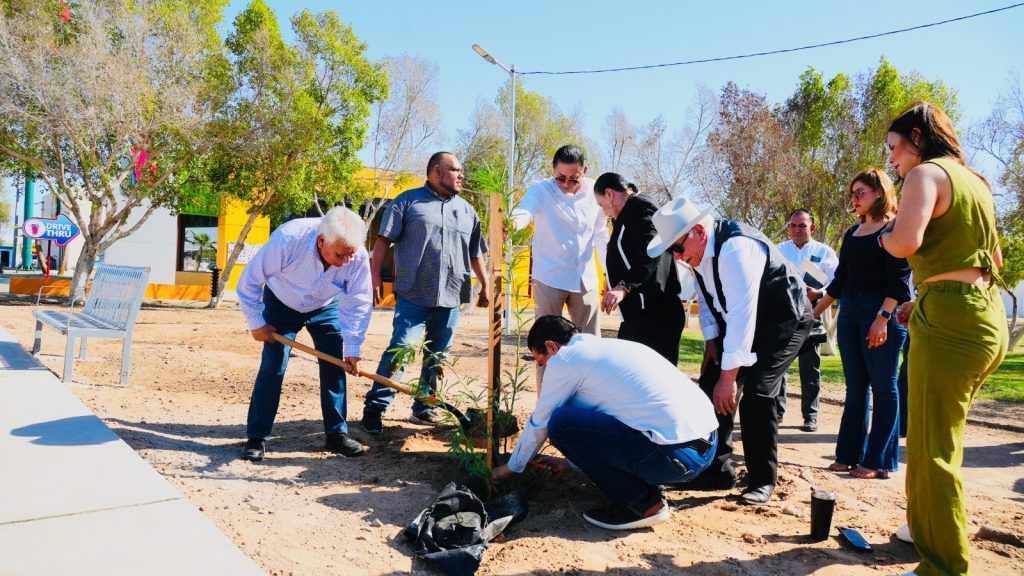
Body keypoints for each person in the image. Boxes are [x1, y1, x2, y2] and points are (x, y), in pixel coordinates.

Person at [879, 102, 1008, 576]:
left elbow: (905, 242)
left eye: (894, 148)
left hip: (951, 320)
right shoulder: (977, 181)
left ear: (916, 137)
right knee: (944, 444)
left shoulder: (925, 175)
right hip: (984, 318)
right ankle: (926, 532)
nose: (892, 159)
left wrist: (884, 236)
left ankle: (942, 566)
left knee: (931, 451)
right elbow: (992, 256)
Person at [647, 196, 813, 505]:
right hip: (743, 321)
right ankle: (717, 470)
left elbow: (742, 317)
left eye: (678, 248)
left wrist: (730, 378)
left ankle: (763, 479)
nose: (678, 256)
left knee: (759, 393)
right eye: (672, 251)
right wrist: (712, 343)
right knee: (709, 384)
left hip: (784, 319)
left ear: (698, 230)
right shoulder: (696, 255)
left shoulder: (737, 249)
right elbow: (709, 302)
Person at [491, 315, 719, 530]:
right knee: (571, 416)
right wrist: (571, 463)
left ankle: (642, 503)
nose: (545, 369)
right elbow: (607, 422)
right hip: (705, 447)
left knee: (560, 422)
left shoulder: (565, 359)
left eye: (542, 362)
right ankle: (645, 488)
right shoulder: (609, 349)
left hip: (672, 456)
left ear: (551, 346)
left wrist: (511, 468)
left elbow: (540, 423)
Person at [361, 152, 490, 435]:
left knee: (438, 356)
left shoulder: (467, 211)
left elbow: (476, 253)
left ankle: (424, 406)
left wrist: (486, 286)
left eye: (461, 171)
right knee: (400, 351)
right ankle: (375, 408)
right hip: (413, 295)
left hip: (452, 295)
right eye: (455, 170)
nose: (461, 175)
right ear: (436, 171)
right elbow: (383, 242)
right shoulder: (407, 202)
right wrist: (373, 276)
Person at [236, 206, 373, 461]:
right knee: (274, 366)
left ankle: (336, 434)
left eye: (349, 256)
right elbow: (249, 281)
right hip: (281, 302)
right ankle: (257, 437)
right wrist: (256, 322)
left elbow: (358, 301)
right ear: (322, 242)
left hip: (325, 305)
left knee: (335, 365)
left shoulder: (356, 256)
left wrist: (352, 349)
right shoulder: (289, 238)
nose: (346, 262)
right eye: (340, 255)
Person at [812, 169, 911, 480]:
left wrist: (881, 320)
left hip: (882, 316)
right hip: (851, 313)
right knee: (856, 388)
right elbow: (839, 282)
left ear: (880, 193)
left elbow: (899, 284)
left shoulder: (895, 231)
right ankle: (848, 455)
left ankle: (878, 461)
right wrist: (813, 313)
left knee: (884, 388)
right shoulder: (853, 233)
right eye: (852, 193)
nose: (854, 199)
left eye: (861, 193)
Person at [592, 172, 686, 363]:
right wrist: (611, 280)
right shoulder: (628, 213)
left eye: (601, 205)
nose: (604, 212)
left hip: (656, 314)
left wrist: (624, 286)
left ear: (609, 194)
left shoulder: (641, 207)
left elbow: (650, 250)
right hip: (642, 315)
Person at [776, 208, 839, 432]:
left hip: (812, 314)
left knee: (810, 368)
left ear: (812, 227)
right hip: (783, 316)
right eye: (792, 225)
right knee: (779, 369)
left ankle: (810, 416)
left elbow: (838, 282)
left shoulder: (825, 252)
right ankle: (777, 413)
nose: (797, 230)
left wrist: (820, 293)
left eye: (802, 225)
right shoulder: (779, 250)